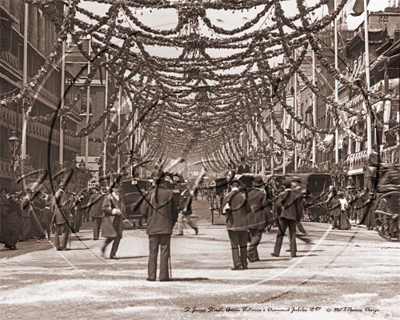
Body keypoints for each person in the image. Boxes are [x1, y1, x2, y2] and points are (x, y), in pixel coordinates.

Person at [140, 170, 179, 281]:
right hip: (166, 227)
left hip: (152, 227)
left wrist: (150, 219)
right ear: (164, 180)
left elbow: (143, 211)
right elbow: (174, 213)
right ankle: (163, 276)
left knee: (152, 252)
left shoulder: (149, 194)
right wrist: (170, 224)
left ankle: (151, 276)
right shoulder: (170, 193)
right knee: (165, 251)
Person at [221, 179, 251, 270]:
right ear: (239, 187)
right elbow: (249, 210)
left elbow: (222, 210)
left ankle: (237, 264)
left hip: (232, 224)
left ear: (230, 186)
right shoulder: (244, 196)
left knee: (234, 245)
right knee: (243, 245)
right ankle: (244, 263)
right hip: (243, 224)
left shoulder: (227, 196)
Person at [271, 178, 303, 258]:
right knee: (292, 234)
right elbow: (299, 209)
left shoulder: (282, 195)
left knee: (280, 234)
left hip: (283, 216)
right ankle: (293, 252)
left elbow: (277, 205)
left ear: (283, 186)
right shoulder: (295, 195)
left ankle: (276, 252)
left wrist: (278, 215)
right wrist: (298, 219)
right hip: (293, 217)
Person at [247, 177, 270, 262]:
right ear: (261, 185)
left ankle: (255, 257)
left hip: (249, 216)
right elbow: (264, 204)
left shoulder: (248, 194)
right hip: (259, 216)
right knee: (257, 236)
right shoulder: (262, 194)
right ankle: (249, 252)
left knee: (253, 236)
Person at [101, 183, 124, 259]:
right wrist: (113, 211)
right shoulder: (108, 197)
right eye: (116, 188)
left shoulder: (120, 197)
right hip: (111, 220)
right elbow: (104, 208)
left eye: (119, 188)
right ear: (112, 189)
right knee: (111, 237)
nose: (118, 190)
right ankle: (103, 248)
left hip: (119, 220)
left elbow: (123, 206)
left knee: (118, 237)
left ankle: (113, 253)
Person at [50, 183, 72, 251]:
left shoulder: (55, 195)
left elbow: (52, 206)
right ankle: (63, 246)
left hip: (56, 215)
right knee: (66, 229)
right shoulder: (63, 195)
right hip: (62, 215)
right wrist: (69, 213)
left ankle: (57, 246)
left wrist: (53, 215)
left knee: (57, 231)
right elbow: (64, 206)